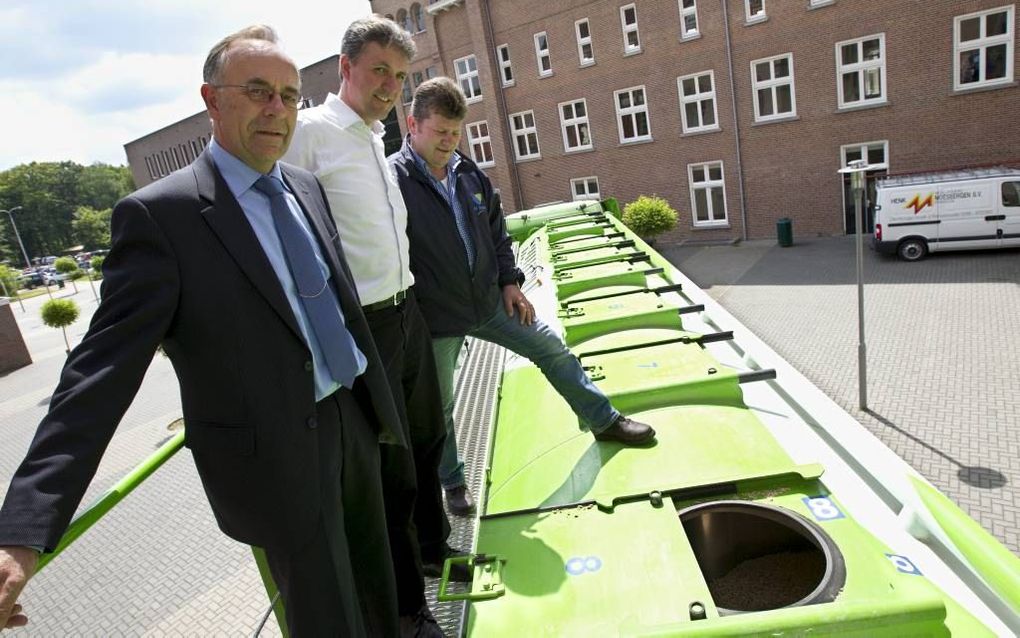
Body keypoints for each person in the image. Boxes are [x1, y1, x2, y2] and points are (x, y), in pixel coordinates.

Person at [0, 26, 404, 637]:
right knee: (329, 619)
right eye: (258, 91)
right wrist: (22, 532)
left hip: (355, 420)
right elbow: (98, 375)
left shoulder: (304, 186)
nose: (277, 109)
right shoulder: (162, 218)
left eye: (290, 95)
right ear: (212, 100)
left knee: (380, 587)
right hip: (278, 460)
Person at [389, 78, 657, 515]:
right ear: (412, 124)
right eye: (440, 133)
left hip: (490, 303)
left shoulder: (468, 173)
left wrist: (510, 281)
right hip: (436, 318)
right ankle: (453, 483)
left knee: (550, 347)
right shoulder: (392, 182)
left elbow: (497, 233)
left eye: (456, 133)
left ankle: (604, 420)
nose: (449, 143)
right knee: (439, 406)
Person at [282, 15, 462, 632]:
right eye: (379, 69)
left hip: (407, 311)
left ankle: (438, 551)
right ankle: (410, 608)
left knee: (432, 437)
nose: (390, 85)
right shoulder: (309, 134)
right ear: (346, 67)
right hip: (366, 327)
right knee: (393, 470)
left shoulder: (375, 142)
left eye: (400, 76)